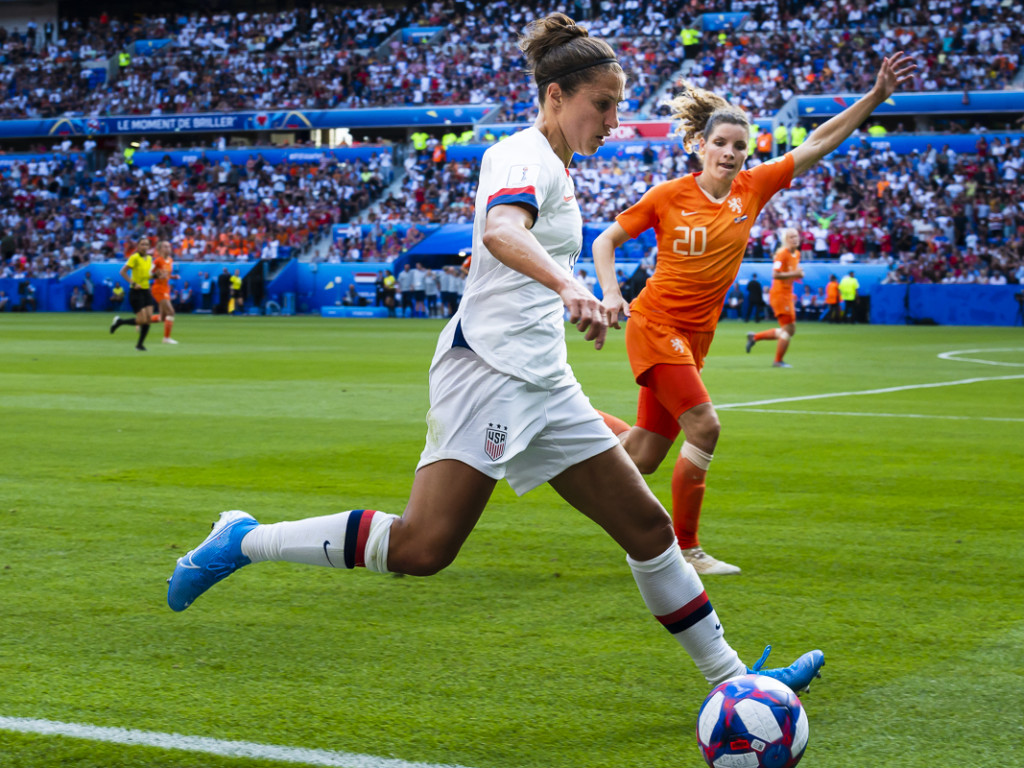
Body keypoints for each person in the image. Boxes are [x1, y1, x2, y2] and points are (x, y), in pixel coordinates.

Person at [167, 13, 824, 695]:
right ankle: (243, 539)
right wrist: (572, 288)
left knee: (648, 527)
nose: (613, 120)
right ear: (556, 97)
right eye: (603, 104)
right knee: (424, 548)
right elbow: (502, 231)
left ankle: (736, 681)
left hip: (544, 380)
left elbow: (527, 256)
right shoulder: (520, 156)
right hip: (489, 375)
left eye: (619, 106)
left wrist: (579, 304)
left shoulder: (561, 171)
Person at [590, 50, 915, 574]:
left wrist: (875, 97)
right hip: (655, 325)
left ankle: (568, 424)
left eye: (740, 146)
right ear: (699, 146)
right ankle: (687, 552)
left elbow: (819, 141)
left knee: (644, 454)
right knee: (705, 427)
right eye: (720, 143)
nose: (730, 152)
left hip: (696, 338)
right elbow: (605, 241)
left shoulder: (753, 189)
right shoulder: (668, 196)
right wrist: (610, 294)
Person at [746, 228, 804, 367]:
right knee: (788, 329)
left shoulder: (796, 254)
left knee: (790, 330)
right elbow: (775, 274)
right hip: (780, 295)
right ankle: (777, 361)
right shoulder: (782, 254)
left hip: (787, 293)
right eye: (791, 237)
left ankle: (755, 337)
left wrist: (796, 275)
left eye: (796, 236)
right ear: (785, 240)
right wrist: (795, 273)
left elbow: (789, 273)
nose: (795, 239)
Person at [110, 236, 156, 351]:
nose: (144, 246)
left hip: (146, 290)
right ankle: (119, 322)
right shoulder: (134, 257)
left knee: (148, 319)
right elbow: (123, 272)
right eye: (142, 244)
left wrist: (155, 276)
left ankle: (140, 345)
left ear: (149, 246)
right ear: (138, 246)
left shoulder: (150, 258)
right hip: (136, 292)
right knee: (142, 320)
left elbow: (148, 274)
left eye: (146, 244)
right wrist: (133, 283)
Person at [150, 240, 179, 344]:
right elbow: (148, 273)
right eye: (165, 247)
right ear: (160, 249)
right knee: (171, 312)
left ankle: (141, 321)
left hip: (166, 288)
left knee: (162, 317)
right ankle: (166, 338)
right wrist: (156, 275)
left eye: (169, 246)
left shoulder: (170, 260)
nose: (168, 248)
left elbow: (166, 274)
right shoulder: (157, 261)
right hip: (158, 288)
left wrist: (173, 277)